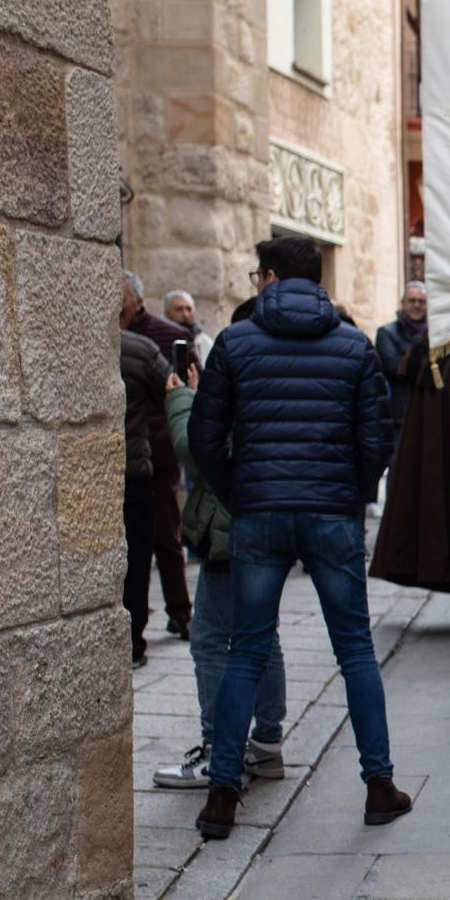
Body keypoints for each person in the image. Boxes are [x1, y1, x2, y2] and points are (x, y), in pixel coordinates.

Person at [189, 236, 410, 841]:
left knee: (246, 648)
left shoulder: (234, 343)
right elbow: (377, 437)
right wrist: (352, 492)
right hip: (331, 512)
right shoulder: (352, 344)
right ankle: (379, 785)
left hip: (259, 512)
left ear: (268, 277)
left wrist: (243, 493)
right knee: (356, 651)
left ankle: (224, 795)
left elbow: (207, 440)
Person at [155, 329, 289, 790]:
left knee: (211, 640)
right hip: (272, 521)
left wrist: (182, 400)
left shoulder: (236, 377)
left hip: (229, 528)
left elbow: (197, 448)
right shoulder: (278, 375)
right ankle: (267, 745)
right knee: (262, 637)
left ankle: (217, 750)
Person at [122, 271, 196, 639]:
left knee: (166, 539)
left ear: (137, 300)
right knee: (135, 548)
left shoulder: (166, 336)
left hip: (157, 453)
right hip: (134, 455)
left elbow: (182, 388)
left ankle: (180, 612)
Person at [119, 328, 171, 667]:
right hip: (134, 469)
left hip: (88, 470)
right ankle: (133, 642)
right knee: (137, 561)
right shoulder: (141, 349)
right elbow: (172, 394)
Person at [374, 281, 429, 433]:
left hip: (428, 413)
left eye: (422, 301)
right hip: (400, 415)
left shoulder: (433, 334)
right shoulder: (386, 333)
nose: (417, 305)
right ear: (403, 302)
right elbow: (394, 368)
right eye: (412, 300)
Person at [162, 290, 215, 367]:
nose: (185, 314)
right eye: (179, 309)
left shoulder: (204, 341)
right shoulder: (159, 335)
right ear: (167, 312)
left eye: (189, 309)